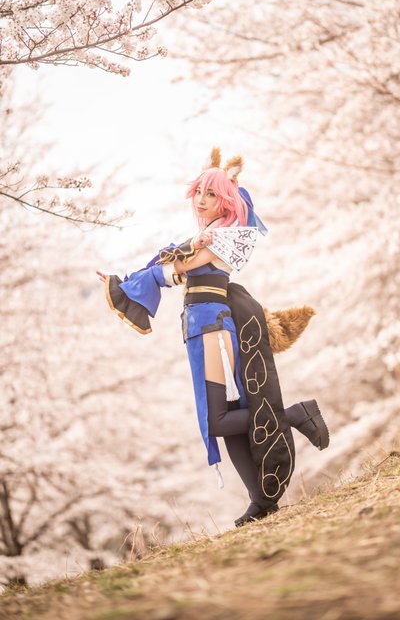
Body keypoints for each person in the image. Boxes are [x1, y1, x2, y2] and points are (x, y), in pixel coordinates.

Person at [97, 148, 329, 527]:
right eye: (199, 193)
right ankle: (261, 500)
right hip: (200, 326)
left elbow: (181, 265)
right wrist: (129, 281)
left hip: (213, 328)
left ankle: (294, 414)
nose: (202, 201)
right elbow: (174, 270)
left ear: (226, 201)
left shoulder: (222, 237)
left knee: (218, 420)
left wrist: (149, 272)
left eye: (211, 194)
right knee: (227, 418)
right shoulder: (206, 237)